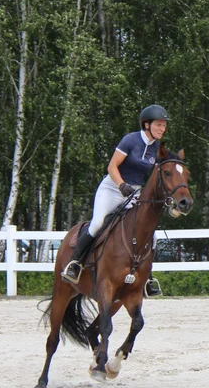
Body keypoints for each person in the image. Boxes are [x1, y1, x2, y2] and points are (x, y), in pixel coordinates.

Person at [62, 104, 169, 297]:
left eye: (164, 125)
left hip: (134, 193)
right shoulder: (131, 140)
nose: (162, 128)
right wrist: (121, 185)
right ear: (147, 125)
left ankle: (147, 278)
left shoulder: (156, 149)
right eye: (159, 124)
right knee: (97, 224)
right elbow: (112, 166)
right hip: (112, 188)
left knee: (150, 234)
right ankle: (75, 264)